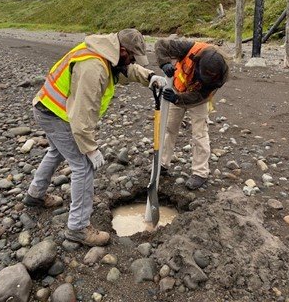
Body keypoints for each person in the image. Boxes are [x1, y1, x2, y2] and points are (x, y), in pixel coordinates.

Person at [23, 29, 166, 247]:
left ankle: (35, 194)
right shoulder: (94, 68)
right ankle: (78, 228)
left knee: (57, 151)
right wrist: (90, 148)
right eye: (132, 57)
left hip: (48, 107)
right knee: (83, 166)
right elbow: (81, 117)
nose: (132, 62)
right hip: (56, 114)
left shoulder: (107, 51)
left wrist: (149, 77)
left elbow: (127, 69)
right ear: (123, 51)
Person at [155, 38, 229, 190]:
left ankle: (200, 173)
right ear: (198, 63)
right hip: (177, 88)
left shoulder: (221, 75)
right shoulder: (188, 48)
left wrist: (177, 99)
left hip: (198, 101)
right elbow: (160, 45)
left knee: (200, 133)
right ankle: (161, 164)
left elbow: (200, 95)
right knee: (168, 128)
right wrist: (164, 63)